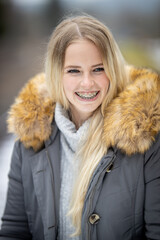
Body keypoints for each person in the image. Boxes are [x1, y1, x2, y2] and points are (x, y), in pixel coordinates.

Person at [0, 14, 160, 240]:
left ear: (113, 69)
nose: (87, 82)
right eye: (74, 70)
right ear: (57, 73)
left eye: (98, 69)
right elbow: (14, 230)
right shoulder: (30, 139)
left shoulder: (146, 139)